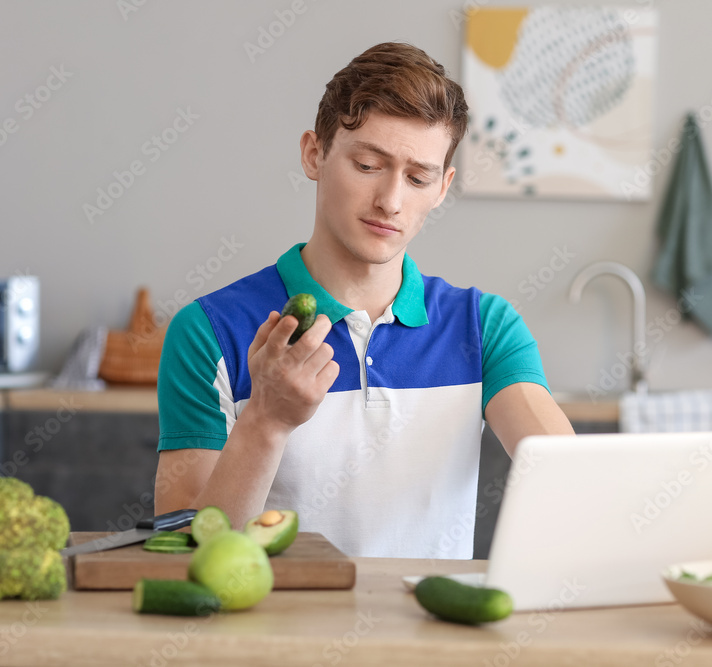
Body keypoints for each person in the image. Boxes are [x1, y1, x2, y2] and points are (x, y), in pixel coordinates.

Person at [154, 42, 574, 559]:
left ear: (442, 188)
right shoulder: (208, 331)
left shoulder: (484, 327)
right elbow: (184, 547)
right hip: (269, 637)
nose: (391, 201)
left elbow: (563, 473)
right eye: (369, 164)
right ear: (314, 154)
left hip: (430, 635)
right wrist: (265, 421)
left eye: (418, 178)